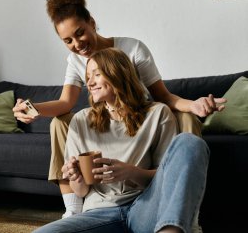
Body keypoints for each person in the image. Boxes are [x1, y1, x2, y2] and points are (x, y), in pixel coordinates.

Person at [12, 0, 223, 219]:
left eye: (80, 32)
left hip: (139, 117)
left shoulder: (132, 48)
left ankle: (183, 204)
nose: (77, 44)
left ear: (91, 22)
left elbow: (163, 96)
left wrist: (193, 105)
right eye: (68, 40)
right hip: (107, 120)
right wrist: (33, 109)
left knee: (185, 117)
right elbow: (65, 103)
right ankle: (73, 207)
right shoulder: (75, 60)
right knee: (59, 122)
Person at [32, 47, 209, 233]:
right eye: (87, 77)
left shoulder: (158, 113)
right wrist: (76, 177)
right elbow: (81, 191)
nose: (89, 83)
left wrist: (131, 173)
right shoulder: (81, 120)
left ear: (117, 74)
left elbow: (167, 178)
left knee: (190, 142)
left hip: (145, 208)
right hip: (99, 213)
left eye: (96, 74)